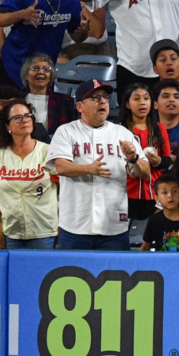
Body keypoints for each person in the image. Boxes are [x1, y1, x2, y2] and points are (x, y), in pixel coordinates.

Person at [46, 80, 149, 250]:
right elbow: (61, 167)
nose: (102, 101)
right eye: (95, 97)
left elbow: (144, 172)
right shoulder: (66, 131)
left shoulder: (122, 133)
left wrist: (134, 159)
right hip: (75, 226)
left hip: (113, 227)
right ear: (80, 107)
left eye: (105, 97)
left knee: (116, 275)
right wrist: (89, 169)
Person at [0, 99, 58, 250]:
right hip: (11, 233)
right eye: (17, 117)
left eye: (27, 116)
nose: (24, 120)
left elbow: (64, 190)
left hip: (44, 232)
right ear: (7, 126)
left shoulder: (48, 151)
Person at [117, 83, 172, 220]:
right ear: (128, 104)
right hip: (125, 193)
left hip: (154, 193)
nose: (142, 103)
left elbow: (167, 160)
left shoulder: (159, 129)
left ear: (152, 104)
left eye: (146, 98)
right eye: (136, 99)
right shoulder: (118, 130)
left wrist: (157, 161)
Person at [18, 53, 75, 135]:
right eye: (35, 68)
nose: (41, 72)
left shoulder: (65, 101)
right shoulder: (16, 101)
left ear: (50, 77)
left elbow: (71, 133)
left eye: (46, 69)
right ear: (26, 75)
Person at [140, 173, 179, 251]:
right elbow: (146, 246)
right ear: (157, 198)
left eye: (174, 191)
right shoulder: (154, 220)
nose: (170, 195)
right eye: (164, 192)